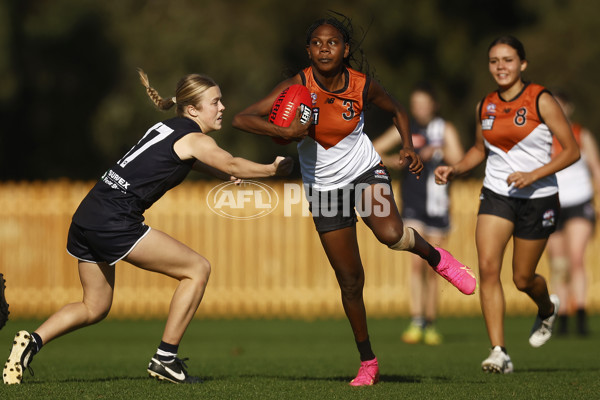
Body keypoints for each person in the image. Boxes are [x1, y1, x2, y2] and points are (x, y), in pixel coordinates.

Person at [3, 69, 294, 385]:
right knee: (197, 269)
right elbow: (232, 162)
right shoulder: (195, 137)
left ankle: (31, 342)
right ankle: (165, 358)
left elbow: (185, 160)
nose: (222, 107)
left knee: (94, 306)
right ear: (193, 109)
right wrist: (270, 169)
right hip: (115, 220)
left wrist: (221, 175)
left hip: (88, 214)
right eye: (215, 102)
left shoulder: (166, 128)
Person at [232, 14, 476, 386]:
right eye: (316, 42)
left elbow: (396, 109)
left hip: (364, 173)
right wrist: (282, 129)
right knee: (350, 281)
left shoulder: (362, 85)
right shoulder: (297, 85)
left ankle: (438, 257)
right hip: (324, 190)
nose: (324, 48)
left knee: (392, 234)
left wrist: (408, 146)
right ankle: (368, 362)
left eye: (332, 42)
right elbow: (241, 118)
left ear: (346, 50)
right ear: (308, 50)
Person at [434, 36, 580, 374]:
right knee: (487, 268)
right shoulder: (484, 104)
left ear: (522, 64)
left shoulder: (541, 99)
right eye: (494, 61)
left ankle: (546, 308)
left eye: (508, 60)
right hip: (496, 194)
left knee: (523, 279)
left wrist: (534, 175)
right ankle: (499, 351)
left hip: (538, 198)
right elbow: (478, 151)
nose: (501, 67)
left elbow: (572, 150)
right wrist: (455, 168)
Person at [372, 83, 464, 346]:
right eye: (416, 105)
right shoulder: (406, 129)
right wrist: (396, 160)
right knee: (414, 262)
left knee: (435, 265)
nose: (420, 109)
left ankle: (431, 323)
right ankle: (416, 320)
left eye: (424, 104)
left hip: (437, 204)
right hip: (412, 204)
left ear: (434, 105)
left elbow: (459, 159)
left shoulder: (444, 129)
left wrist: (437, 151)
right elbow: (376, 148)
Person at [545, 90, 600, 336]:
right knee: (559, 265)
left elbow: (596, 171)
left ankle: (580, 314)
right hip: (552, 206)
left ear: (569, 108)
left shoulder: (581, 134)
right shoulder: (543, 138)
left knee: (576, 259)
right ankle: (562, 315)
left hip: (579, 202)